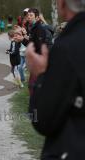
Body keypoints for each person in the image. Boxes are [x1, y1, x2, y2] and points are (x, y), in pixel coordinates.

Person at [26, 0, 85, 159]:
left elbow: (44, 119)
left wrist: (40, 75)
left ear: (62, 3)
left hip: (72, 148)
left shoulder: (67, 45)